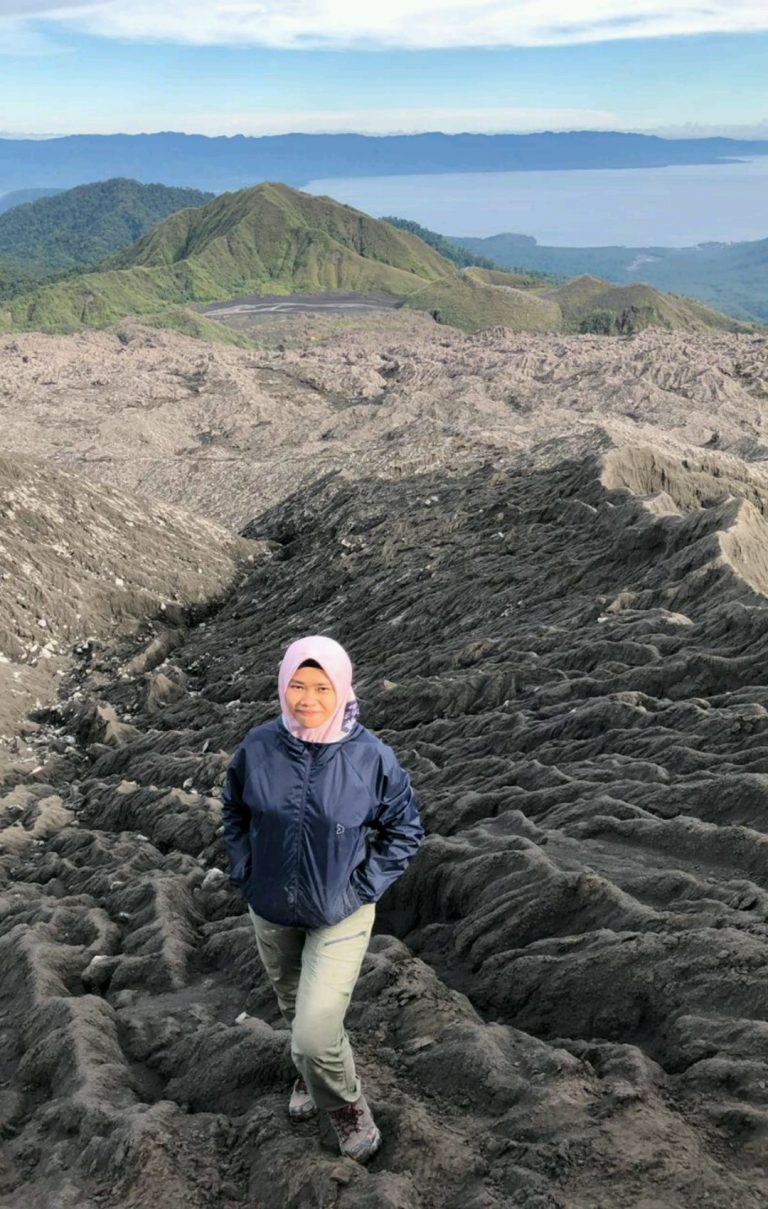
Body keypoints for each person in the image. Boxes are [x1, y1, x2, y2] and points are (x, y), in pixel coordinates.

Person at [221, 634, 424, 1163]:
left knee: (313, 1032)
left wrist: (359, 888)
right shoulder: (259, 746)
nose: (306, 699)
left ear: (342, 690)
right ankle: (309, 1075)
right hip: (271, 908)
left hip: (340, 913)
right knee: (294, 1006)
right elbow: (234, 809)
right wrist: (246, 869)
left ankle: (345, 1105)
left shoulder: (370, 757)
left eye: (320, 687)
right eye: (296, 685)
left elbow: (405, 829)